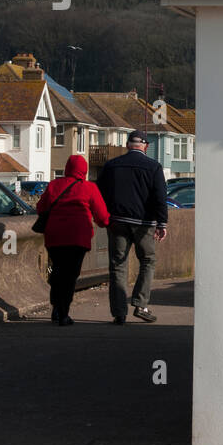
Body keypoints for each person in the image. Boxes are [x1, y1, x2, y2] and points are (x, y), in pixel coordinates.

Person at [97, 130, 168, 324]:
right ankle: (140, 304)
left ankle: (119, 312)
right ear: (145, 146)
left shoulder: (111, 165)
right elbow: (160, 197)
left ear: (128, 145)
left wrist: (105, 217)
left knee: (117, 265)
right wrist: (162, 223)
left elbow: (100, 193)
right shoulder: (153, 167)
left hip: (117, 221)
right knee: (147, 261)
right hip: (144, 223)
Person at [36, 154, 109, 326]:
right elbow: (102, 216)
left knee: (58, 270)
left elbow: (41, 208)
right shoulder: (89, 187)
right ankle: (63, 312)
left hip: (55, 236)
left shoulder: (54, 185)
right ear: (84, 170)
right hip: (78, 237)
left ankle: (56, 305)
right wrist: (105, 223)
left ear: (67, 168)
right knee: (70, 275)